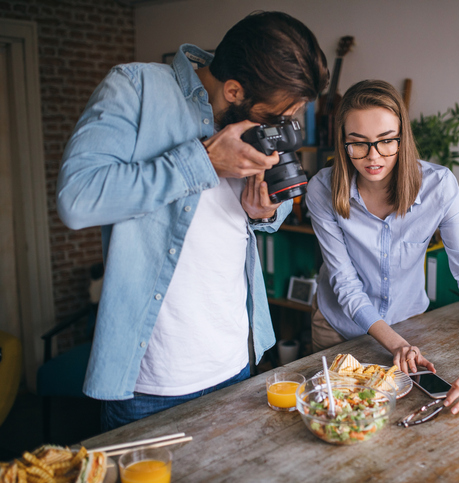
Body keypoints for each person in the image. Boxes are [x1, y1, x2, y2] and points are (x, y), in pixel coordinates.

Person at [56, 11, 328, 430]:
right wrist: (201, 161)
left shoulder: (260, 114)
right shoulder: (136, 87)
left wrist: (265, 212)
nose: (279, 129)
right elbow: (77, 198)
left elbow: (259, 211)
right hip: (153, 384)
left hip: (238, 362)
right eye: (273, 118)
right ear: (234, 89)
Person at [305, 80, 459, 414]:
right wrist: (397, 345)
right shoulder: (322, 189)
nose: (373, 157)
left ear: (402, 138)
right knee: (339, 415)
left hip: (408, 324)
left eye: (385, 142)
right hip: (338, 329)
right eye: (358, 144)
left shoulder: (440, 188)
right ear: (342, 141)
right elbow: (345, 283)